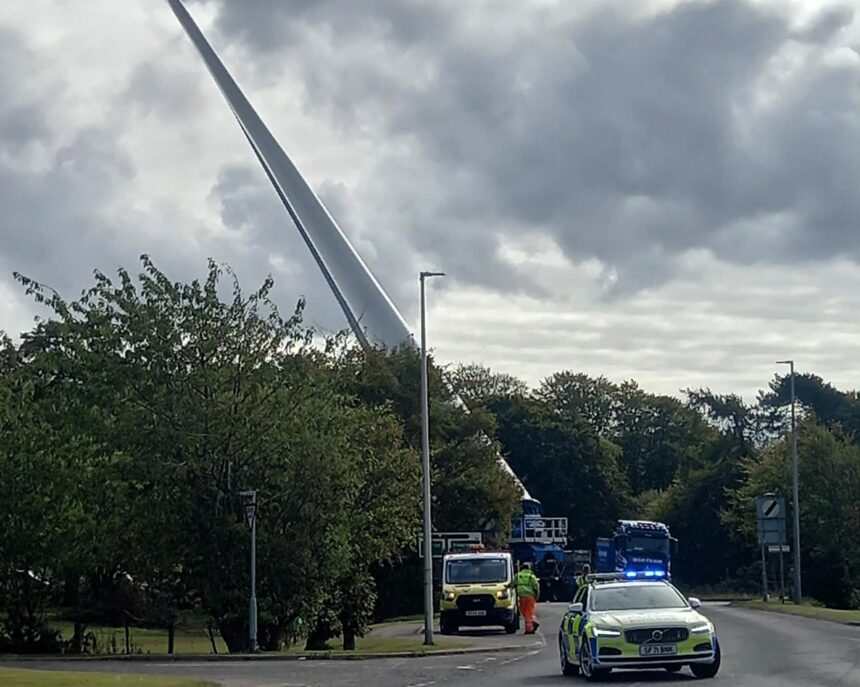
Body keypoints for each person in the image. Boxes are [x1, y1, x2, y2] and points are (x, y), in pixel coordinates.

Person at [514, 562, 541, 634]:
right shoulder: (531, 576)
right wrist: (537, 595)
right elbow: (536, 587)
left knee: (524, 612)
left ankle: (529, 629)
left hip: (521, 596)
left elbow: (512, 584)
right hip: (530, 596)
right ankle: (531, 627)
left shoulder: (518, 575)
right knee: (528, 613)